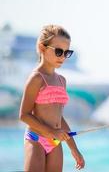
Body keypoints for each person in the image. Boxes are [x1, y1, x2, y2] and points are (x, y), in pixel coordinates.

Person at [19, 25, 85, 171]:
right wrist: (51, 133)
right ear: (42, 48)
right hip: (36, 139)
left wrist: (74, 149)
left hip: (55, 142)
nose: (62, 57)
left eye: (66, 53)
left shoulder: (62, 80)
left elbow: (59, 118)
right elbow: (24, 115)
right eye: (58, 51)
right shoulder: (36, 78)